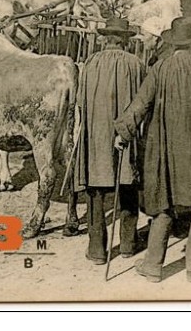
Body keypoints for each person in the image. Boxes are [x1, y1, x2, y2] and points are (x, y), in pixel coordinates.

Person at [114, 17, 191, 283]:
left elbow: (140, 104)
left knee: (164, 204)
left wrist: (123, 133)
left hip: (165, 148)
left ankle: (153, 266)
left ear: (172, 43)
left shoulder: (160, 69)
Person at [69, 17, 144, 263]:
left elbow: (79, 102)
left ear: (105, 40)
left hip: (96, 137)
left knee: (96, 192)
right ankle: (128, 244)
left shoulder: (90, 64)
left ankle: (97, 250)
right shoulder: (136, 64)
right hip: (126, 135)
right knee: (128, 186)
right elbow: (144, 104)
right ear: (124, 41)